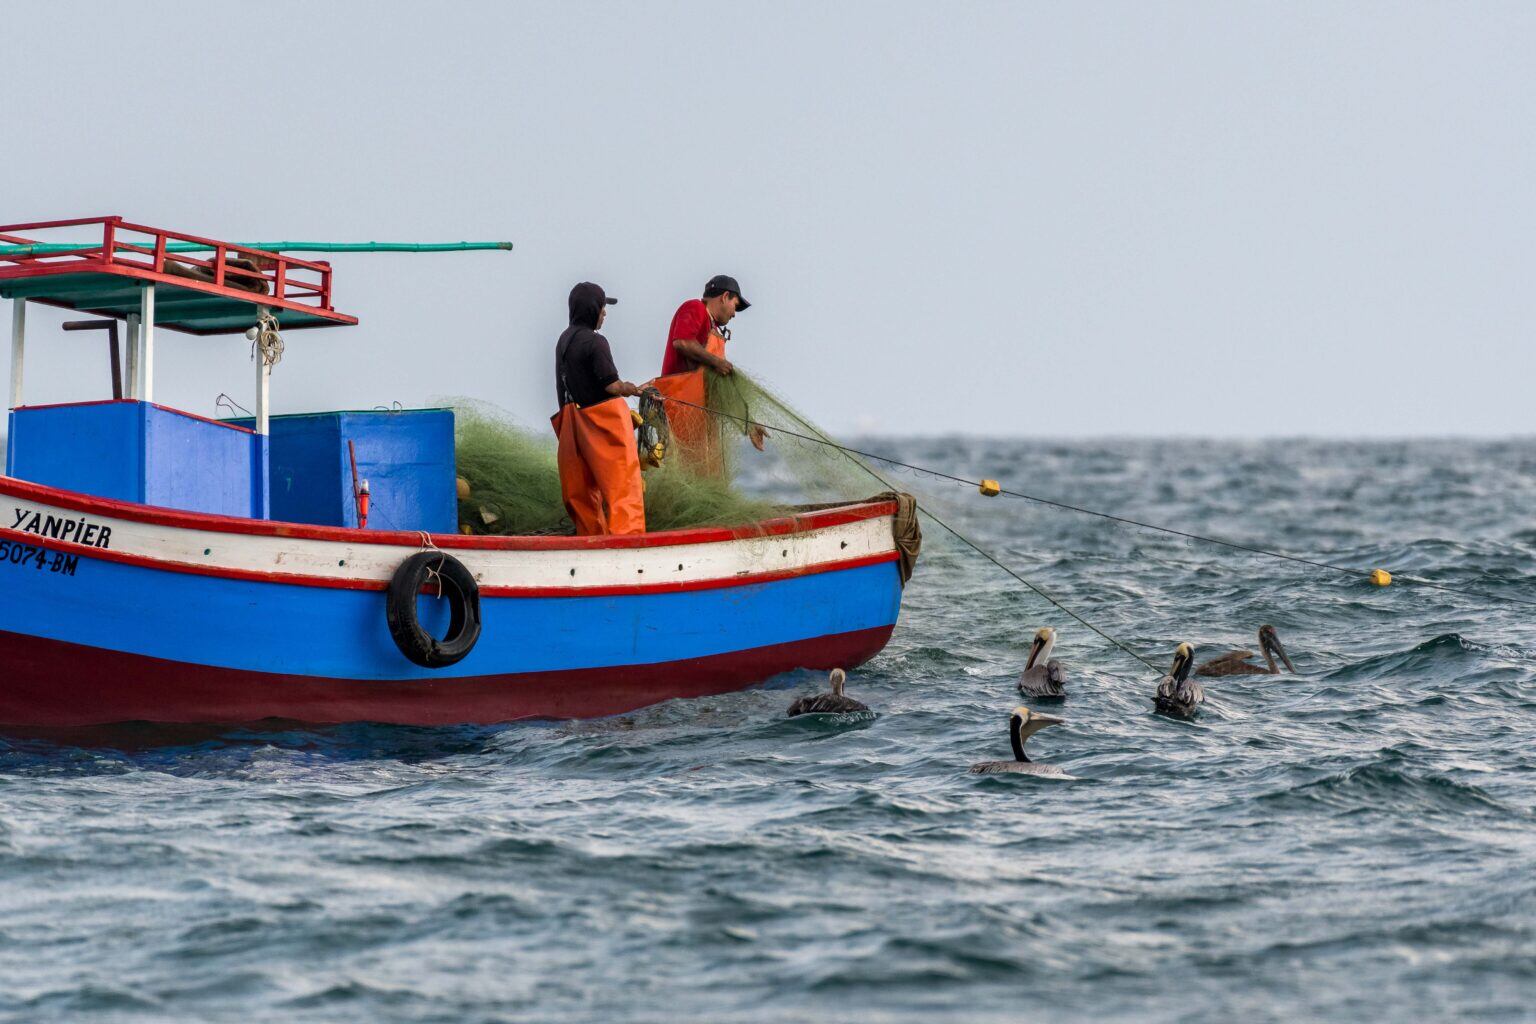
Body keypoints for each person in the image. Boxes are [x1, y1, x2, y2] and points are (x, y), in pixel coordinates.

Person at [550, 282, 646, 536]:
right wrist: (631, 388)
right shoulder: (596, 341)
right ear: (593, 309)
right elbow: (611, 385)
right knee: (623, 488)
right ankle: (628, 542)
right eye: (603, 308)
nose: (605, 313)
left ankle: (591, 541)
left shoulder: (563, 340)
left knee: (580, 494)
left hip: (570, 426)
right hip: (600, 423)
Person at [648, 274, 767, 471]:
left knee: (704, 471)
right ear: (725, 296)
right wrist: (716, 361)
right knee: (683, 468)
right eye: (735, 306)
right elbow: (682, 342)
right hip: (680, 407)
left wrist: (750, 424)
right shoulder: (695, 308)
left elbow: (722, 388)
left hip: (701, 415)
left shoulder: (715, 330)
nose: (735, 314)